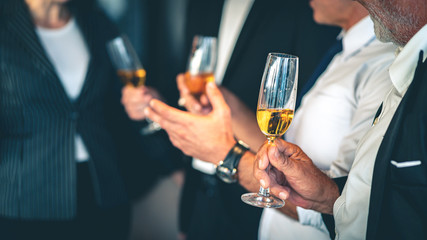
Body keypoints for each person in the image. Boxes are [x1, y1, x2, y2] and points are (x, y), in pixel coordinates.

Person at [122, 0, 339, 239]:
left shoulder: (302, 7)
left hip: (254, 201)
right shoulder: (201, 5)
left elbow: (305, 111)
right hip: (198, 195)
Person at [251, 0, 427, 239]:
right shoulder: (345, 52)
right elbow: (368, 199)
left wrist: (227, 156)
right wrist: (326, 193)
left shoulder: (387, 61)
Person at [0, 0, 158, 239]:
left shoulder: (95, 20)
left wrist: (144, 103)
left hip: (104, 190)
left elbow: (126, 98)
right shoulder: (5, 23)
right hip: (27, 198)